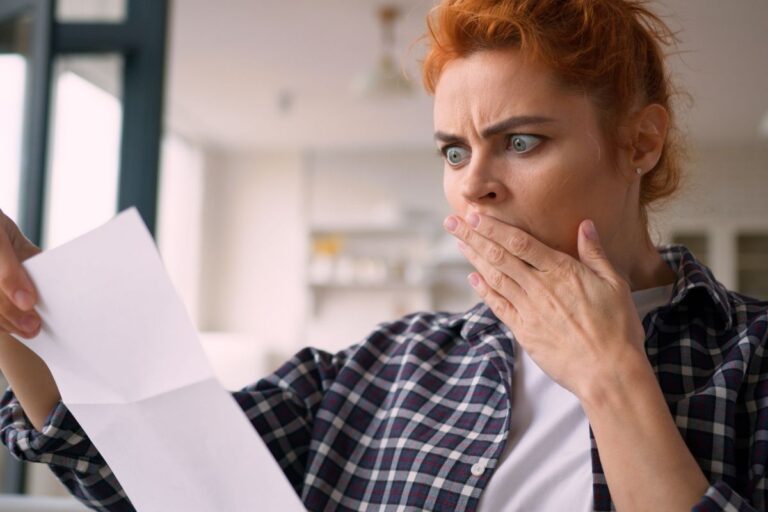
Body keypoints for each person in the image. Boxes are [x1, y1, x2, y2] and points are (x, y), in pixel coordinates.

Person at [0, 0, 766, 510]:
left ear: (639, 141)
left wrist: (610, 376)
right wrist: (18, 296)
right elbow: (144, 473)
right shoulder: (379, 369)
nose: (474, 186)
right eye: (454, 150)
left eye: (521, 142)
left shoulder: (753, 362)